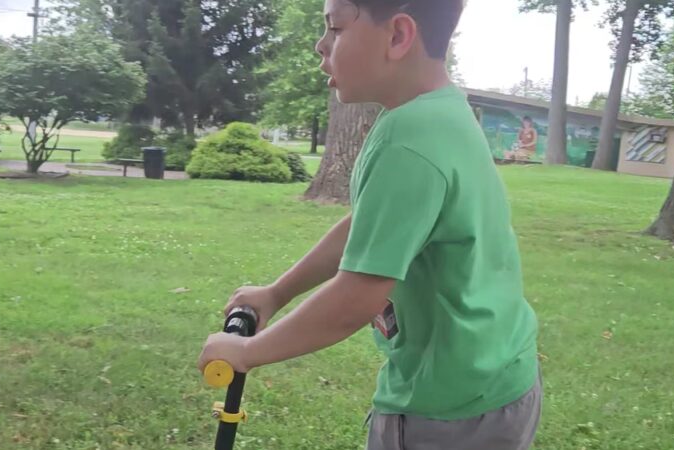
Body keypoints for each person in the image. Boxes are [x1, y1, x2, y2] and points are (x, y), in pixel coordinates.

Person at [198, 0, 541, 448]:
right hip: (498, 375)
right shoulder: (439, 113)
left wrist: (247, 353)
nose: (321, 47)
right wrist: (276, 293)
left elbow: (355, 298)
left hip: (451, 410)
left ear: (398, 36)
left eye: (336, 30)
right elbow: (367, 228)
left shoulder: (409, 139)